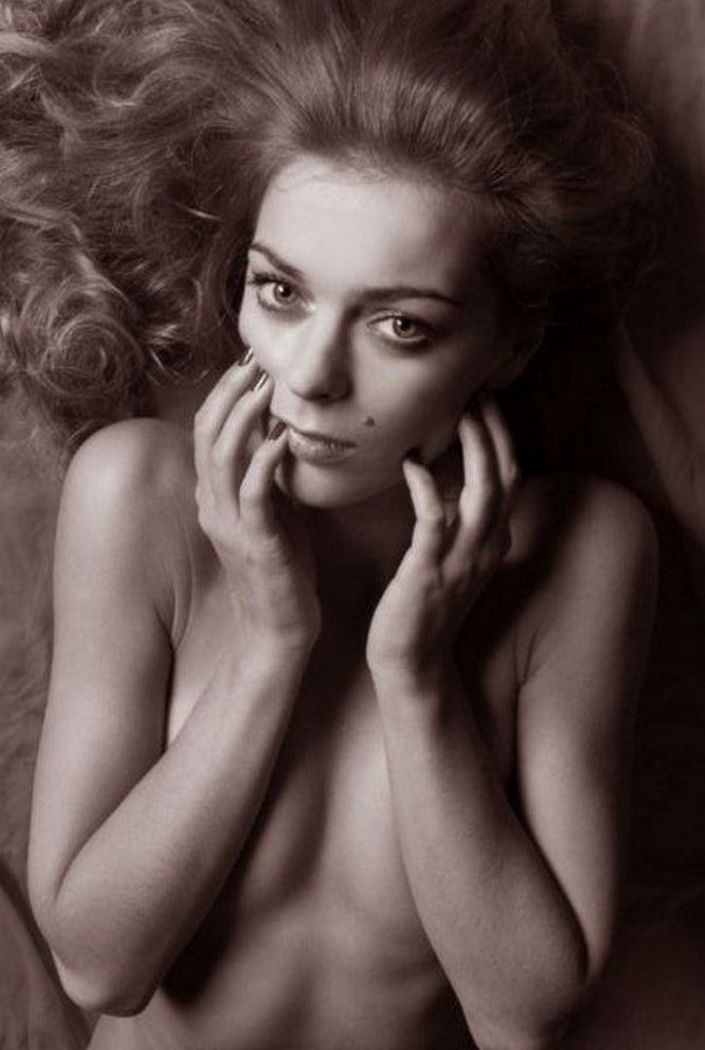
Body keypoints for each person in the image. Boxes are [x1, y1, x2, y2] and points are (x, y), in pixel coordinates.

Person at [0, 0, 657, 1047]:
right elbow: (97, 967)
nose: (310, 376)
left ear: (507, 347)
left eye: (399, 325)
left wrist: (416, 673)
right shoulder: (136, 496)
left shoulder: (580, 550)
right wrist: (271, 643)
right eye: (281, 292)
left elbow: (520, 1016)